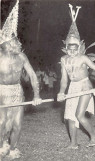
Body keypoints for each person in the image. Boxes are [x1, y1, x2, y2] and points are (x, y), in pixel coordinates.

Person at [57, 4, 95, 149]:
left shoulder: (83, 58)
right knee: (69, 116)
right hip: (72, 87)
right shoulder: (63, 60)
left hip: (85, 86)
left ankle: (93, 136)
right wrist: (62, 92)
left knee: (79, 115)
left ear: (79, 48)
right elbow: (64, 79)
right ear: (66, 47)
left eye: (75, 48)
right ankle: (73, 143)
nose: (73, 51)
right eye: (70, 48)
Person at [0, 0, 42, 159]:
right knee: (1, 123)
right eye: (14, 40)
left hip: (17, 92)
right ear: (6, 44)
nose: (18, 42)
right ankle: (1, 146)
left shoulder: (22, 56)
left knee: (17, 125)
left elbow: (32, 75)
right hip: (1, 92)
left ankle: (13, 148)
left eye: (16, 40)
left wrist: (37, 95)